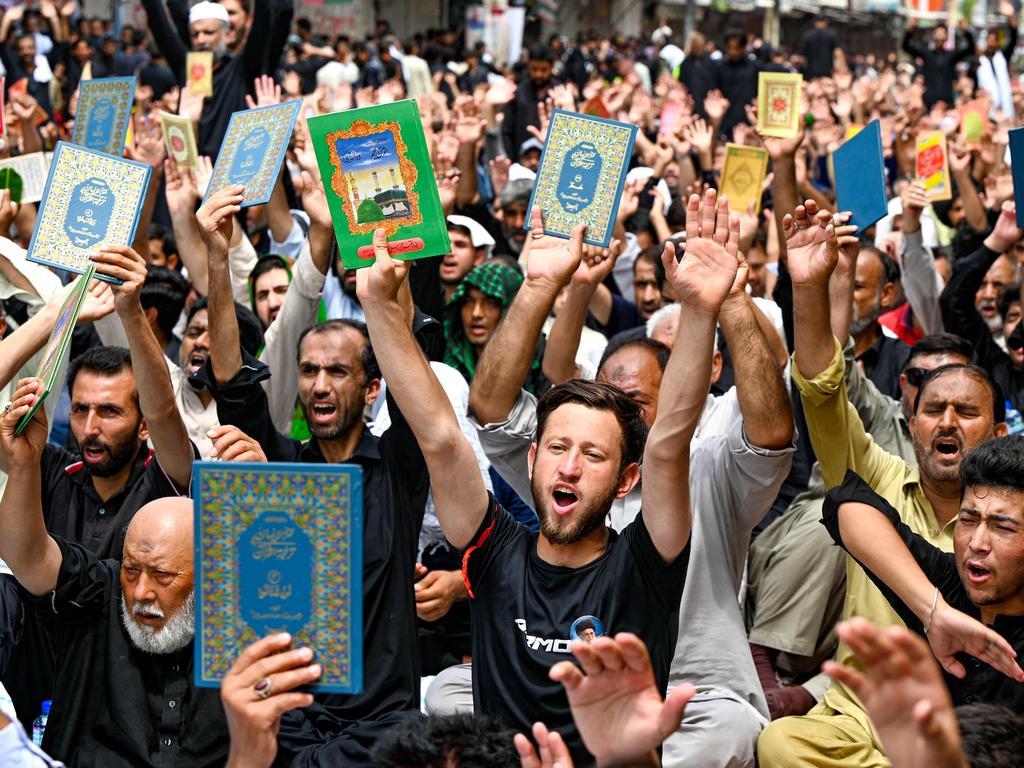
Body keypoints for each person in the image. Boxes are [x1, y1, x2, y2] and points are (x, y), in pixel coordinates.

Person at [359, 188, 741, 764]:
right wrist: (382, 310)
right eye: (558, 447)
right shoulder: (492, 550)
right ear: (531, 459)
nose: (569, 465)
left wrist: (700, 308)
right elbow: (440, 435)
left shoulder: (643, 563)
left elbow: (668, 445)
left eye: (593, 455)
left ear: (625, 480)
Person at [756, 200, 1009, 767]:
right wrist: (809, 292)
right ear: (909, 423)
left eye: (965, 412)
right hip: (854, 722)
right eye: (932, 409)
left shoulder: (1010, 516)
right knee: (780, 744)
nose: (946, 422)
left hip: (955, 728)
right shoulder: (874, 474)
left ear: (996, 431)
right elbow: (823, 388)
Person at [193, 186, 432, 766]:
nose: (320, 385)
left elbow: (414, 386)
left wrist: (391, 280)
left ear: (372, 387)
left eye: (337, 372)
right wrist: (217, 259)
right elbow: (231, 377)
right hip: (286, 724)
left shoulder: (400, 467)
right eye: (307, 372)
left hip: (383, 733)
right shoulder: (277, 467)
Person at [0, 388, 229, 767]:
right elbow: (27, 555)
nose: (140, 592)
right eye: (131, 570)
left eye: (163, 576)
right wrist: (24, 466)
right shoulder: (102, 593)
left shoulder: (237, 626)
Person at [820, 439, 1024, 708]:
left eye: (1002, 528)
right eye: (968, 520)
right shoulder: (946, 584)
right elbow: (845, 503)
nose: (977, 543)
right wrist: (935, 613)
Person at [138, 0, 288, 157]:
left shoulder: (242, 68)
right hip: (194, 169)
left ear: (226, 33)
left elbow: (265, 17)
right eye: (195, 34)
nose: (201, 40)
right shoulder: (188, 68)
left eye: (209, 33)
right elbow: (158, 19)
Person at [940, 202, 1024, 412]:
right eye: (1013, 317)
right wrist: (997, 242)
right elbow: (953, 303)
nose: (1019, 328)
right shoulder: (994, 368)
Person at [901, 17, 975, 109]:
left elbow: (970, 49)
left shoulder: (951, 55)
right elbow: (906, 47)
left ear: (946, 37)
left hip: (947, 102)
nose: (940, 36)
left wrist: (966, 31)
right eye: (937, 33)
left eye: (942, 33)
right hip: (929, 102)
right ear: (933, 35)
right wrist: (910, 30)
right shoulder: (927, 54)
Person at [502, 44, 557, 158]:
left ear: (551, 67)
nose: (538, 74)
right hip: (520, 161)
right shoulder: (519, 92)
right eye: (534, 69)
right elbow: (507, 129)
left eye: (543, 69)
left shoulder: (560, 93)